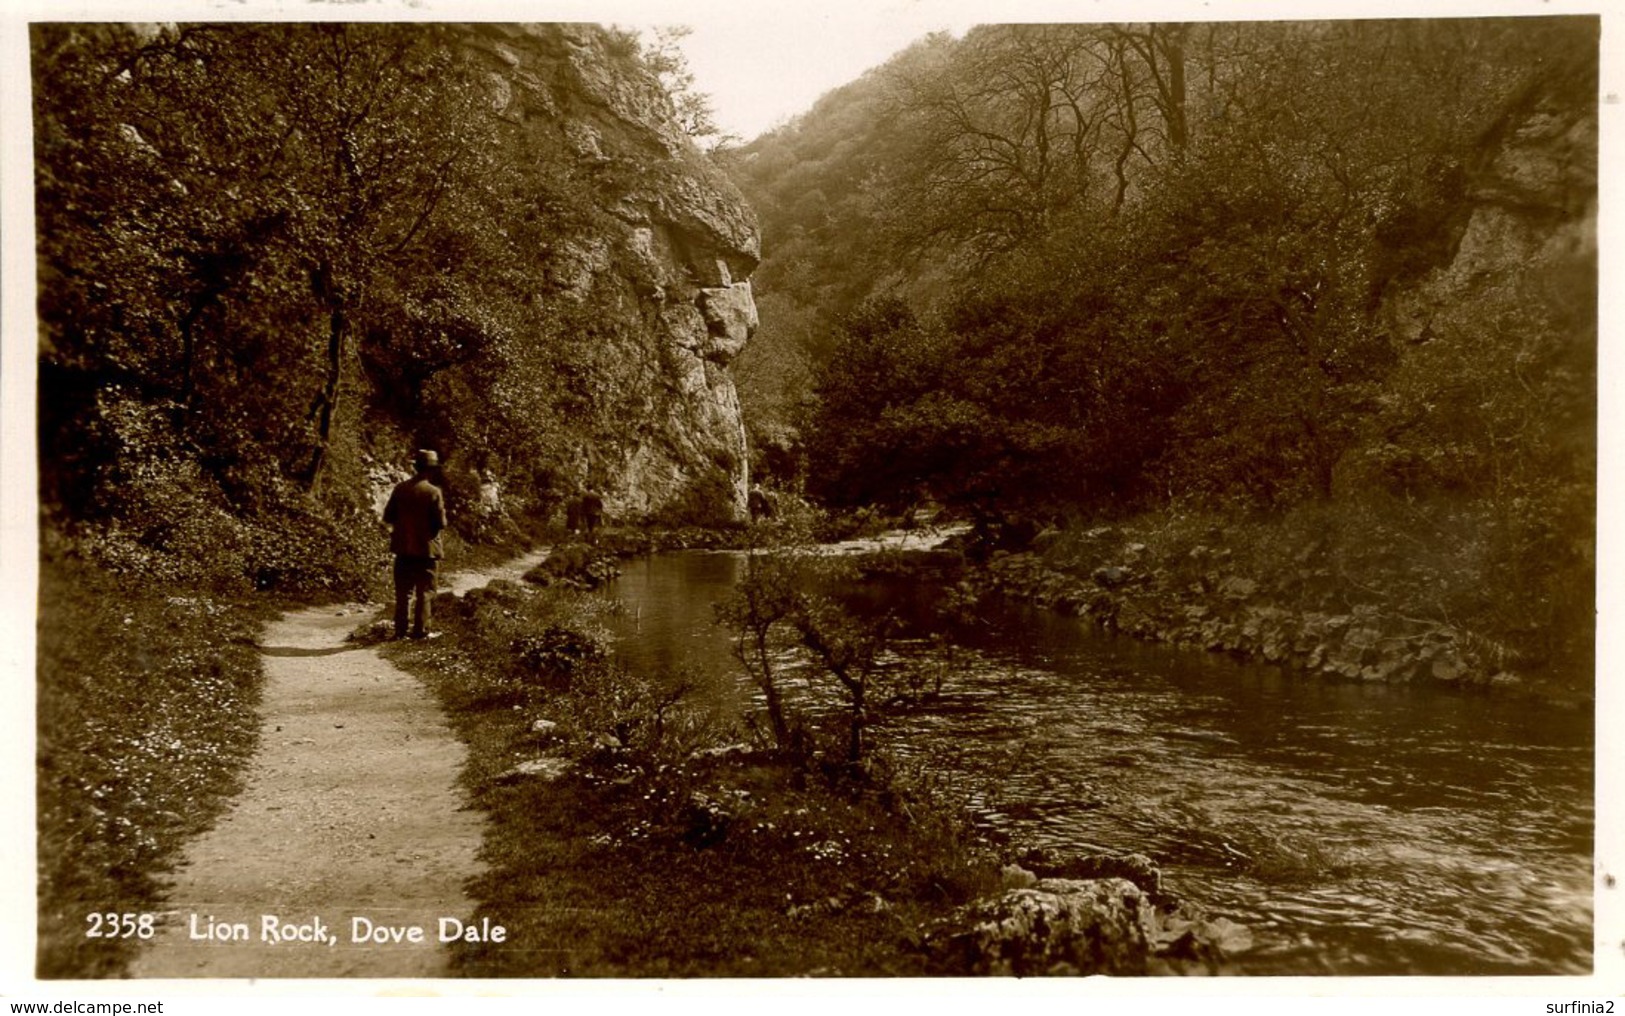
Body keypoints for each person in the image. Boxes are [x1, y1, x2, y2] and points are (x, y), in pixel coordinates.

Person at [383, 449, 447, 639]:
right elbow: (441, 523)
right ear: (432, 470)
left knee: (403, 593)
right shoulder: (434, 492)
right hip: (427, 550)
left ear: (415, 467)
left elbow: (388, 516)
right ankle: (420, 632)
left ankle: (400, 631)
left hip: (403, 549)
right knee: (425, 592)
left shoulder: (400, 489)